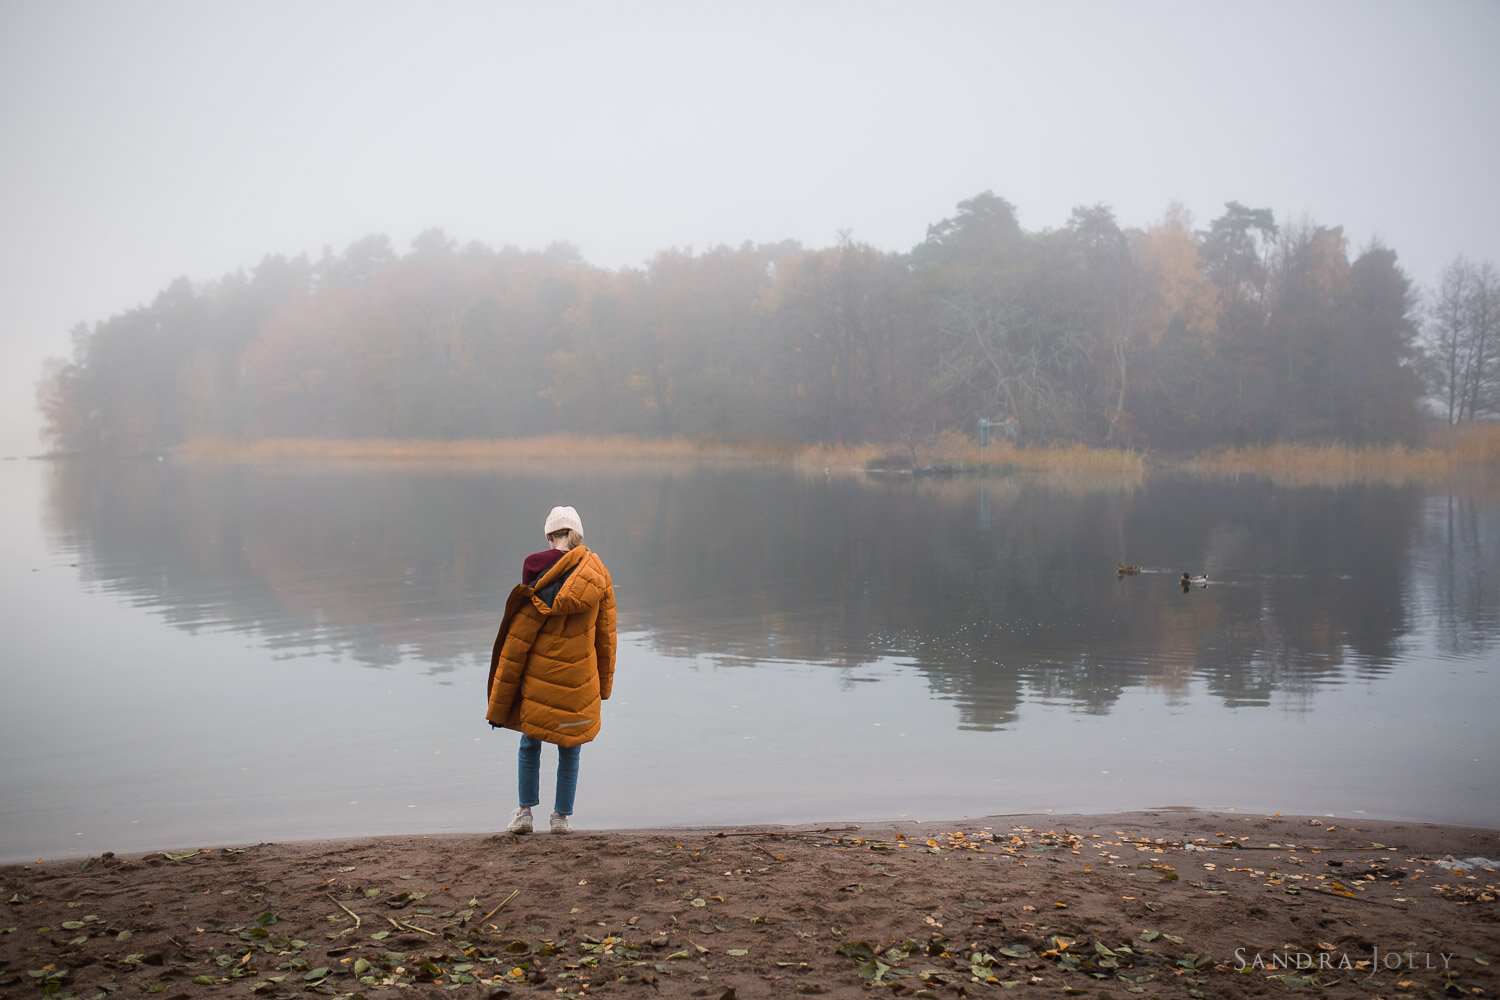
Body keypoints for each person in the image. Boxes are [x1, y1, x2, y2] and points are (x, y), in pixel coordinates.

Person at [486, 505, 616, 834]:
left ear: (548, 536)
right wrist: (604, 684)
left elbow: (519, 638)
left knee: (531, 743)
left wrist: (503, 692)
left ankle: (525, 814)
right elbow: (606, 637)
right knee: (570, 747)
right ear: (577, 535)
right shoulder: (597, 574)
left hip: (537, 680)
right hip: (579, 679)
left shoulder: (534, 573)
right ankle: (561, 818)